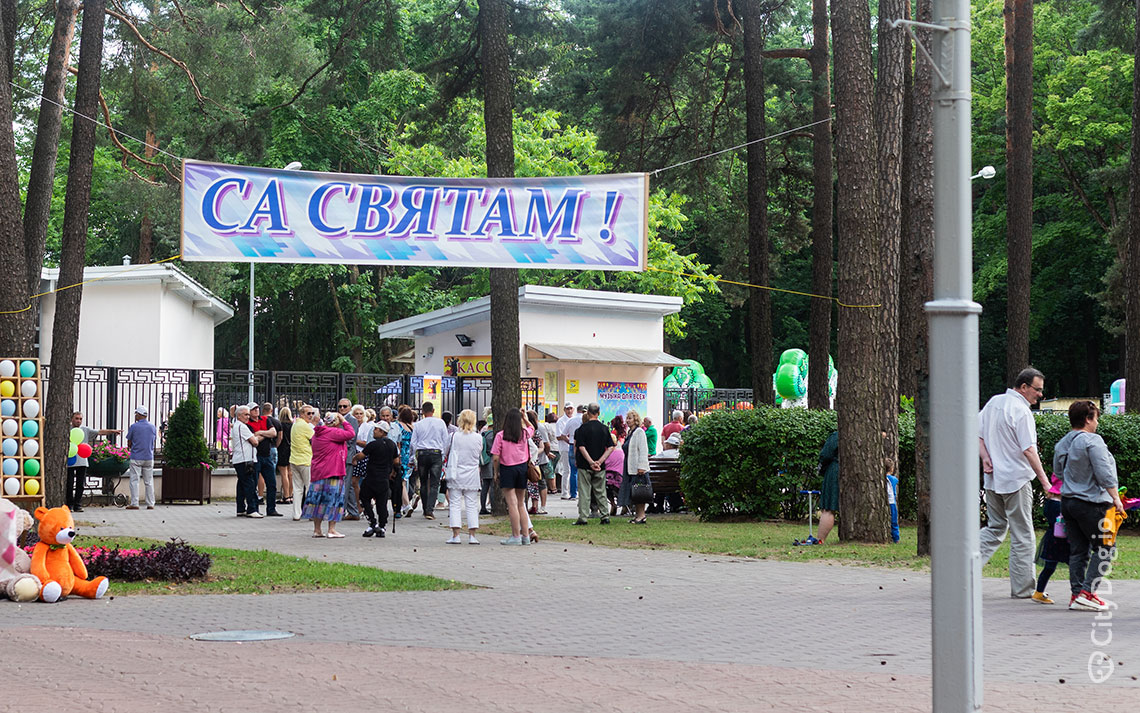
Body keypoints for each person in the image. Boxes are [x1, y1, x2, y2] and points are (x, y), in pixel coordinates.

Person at [978, 367, 1052, 599]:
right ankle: (1023, 589)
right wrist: (1045, 483)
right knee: (1023, 534)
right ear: (1023, 387)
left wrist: (985, 458)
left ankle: (960, 570)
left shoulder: (994, 403)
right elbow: (1029, 450)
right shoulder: (1021, 411)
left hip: (993, 479)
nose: (1040, 395)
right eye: (1037, 390)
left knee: (995, 528)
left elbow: (976, 433)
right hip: (1017, 480)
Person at [1055, 400, 1125, 611]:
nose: (1097, 423)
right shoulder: (1093, 441)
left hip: (1068, 502)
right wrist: (1116, 499)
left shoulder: (1063, 443)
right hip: (1092, 503)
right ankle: (1087, 592)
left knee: (1078, 550)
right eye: (1095, 418)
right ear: (1087, 419)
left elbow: (1059, 472)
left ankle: (1076, 595)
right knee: (1106, 548)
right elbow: (1105, 473)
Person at [304, 411, 356, 538]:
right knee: (334, 500)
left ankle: (317, 529)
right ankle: (331, 529)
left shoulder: (317, 434)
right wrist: (344, 420)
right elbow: (351, 433)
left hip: (318, 472)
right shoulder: (333, 432)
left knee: (318, 501)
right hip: (333, 471)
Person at [492, 408, 534, 544]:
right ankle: (526, 535)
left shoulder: (500, 435)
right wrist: (525, 417)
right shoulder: (523, 434)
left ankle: (515, 536)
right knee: (521, 503)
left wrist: (495, 472)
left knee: (512, 504)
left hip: (507, 469)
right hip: (522, 468)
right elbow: (532, 427)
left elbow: (495, 458)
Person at [443, 409, 483, 544]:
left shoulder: (453, 436)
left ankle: (456, 535)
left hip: (456, 472)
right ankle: (472, 535)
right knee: (471, 504)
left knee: (454, 503)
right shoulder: (478, 437)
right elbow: (479, 452)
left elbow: (445, 451)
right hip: (472, 473)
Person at [67, 411, 120, 513]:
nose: (78, 421)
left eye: (80, 419)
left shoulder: (85, 430)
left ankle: (77, 504)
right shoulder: (66, 429)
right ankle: (69, 504)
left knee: (80, 484)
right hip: (70, 461)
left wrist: (112, 431)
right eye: (76, 418)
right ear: (72, 419)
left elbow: (99, 432)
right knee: (69, 484)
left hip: (82, 461)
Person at [354, 421, 399, 538]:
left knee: (364, 498)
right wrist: (394, 472)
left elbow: (361, 456)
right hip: (384, 478)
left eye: (376, 429)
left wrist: (354, 458)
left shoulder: (373, 444)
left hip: (371, 478)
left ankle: (372, 522)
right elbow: (396, 461)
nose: (374, 431)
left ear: (381, 431)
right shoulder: (392, 445)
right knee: (381, 503)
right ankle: (382, 526)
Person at [573, 403, 614, 526]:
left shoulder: (582, 429)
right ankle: (605, 516)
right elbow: (611, 446)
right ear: (599, 413)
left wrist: (590, 462)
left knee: (584, 491)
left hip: (584, 465)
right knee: (601, 491)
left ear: (588, 412)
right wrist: (600, 461)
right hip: (600, 466)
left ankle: (583, 517)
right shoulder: (604, 428)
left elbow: (581, 447)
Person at [1031, 473, 1069, 604]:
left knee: (1049, 567)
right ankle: (1081, 591)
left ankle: (1039, 592)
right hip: (1062, 540)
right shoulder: (1059, 506)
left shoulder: (1049, 504)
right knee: (1076, 564)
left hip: (1052, 539)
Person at [411, 401, 449, 520]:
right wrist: (443, 454)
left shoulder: (418, 424)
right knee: (434, 483)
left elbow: (413, 442)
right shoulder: (440, 423)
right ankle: (430, 509)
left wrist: (414, 455)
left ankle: (425, 508)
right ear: (433, 411)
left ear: (422, 412)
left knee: (423, 482)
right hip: (436, 453)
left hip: (422, 453)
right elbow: (446, 440)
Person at [247, 403, 281, 517]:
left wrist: (261, 432)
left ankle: (271, 509)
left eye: (257, 408)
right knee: (254, 483)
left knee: (272, 483)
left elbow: (274, 433)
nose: (256, 411)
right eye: (253, 409)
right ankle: (254, 508)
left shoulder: (265, 419)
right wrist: (266, 434)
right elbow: (253, 439)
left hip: (267, 456)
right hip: (255, 457)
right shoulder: (248, 424)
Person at [618, 409, 651, 524]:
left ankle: (641, 515)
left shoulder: (639, 432)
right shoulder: (630, 433)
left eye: (630, 418)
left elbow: (643, 450)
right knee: (634, 492)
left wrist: (641, 466)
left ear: (636, 420)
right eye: (627, 418)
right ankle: (638, 515)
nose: (628, 421)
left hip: (638, 468)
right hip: (629, 467)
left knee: (639, 493)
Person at [230, 405, 262, 517]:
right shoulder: (241, 427)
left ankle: (240, 508)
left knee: (242, 484)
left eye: (248, 414)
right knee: (250, 484)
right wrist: (259, 436)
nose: (248, 417)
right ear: (239, 415)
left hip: (241, 459)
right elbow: (254, 442)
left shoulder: (237, 426)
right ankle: (252, 509)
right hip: (245, 460)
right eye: (245, 414)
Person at [125, 405, 158, 510]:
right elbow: (153, 441)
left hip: (136, 456)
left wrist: (131, 446)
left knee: (134, 480)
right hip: (149, 456)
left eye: (136, 414)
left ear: (139, 415)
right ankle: (150, 503)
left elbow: (129, 441)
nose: (135, 416)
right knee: (149, 481)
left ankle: (135, 503)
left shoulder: (134, 427)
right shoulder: (152, 427)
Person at [289, 404, 316, 521]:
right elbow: (316, 439)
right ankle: (310, 513)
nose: (311, 415)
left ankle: (296, 513)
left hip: (294, 459)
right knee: (310, 487)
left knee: (297, 488)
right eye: (308, 413)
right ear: (302, 414)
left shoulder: (295, 424)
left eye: (312, 413)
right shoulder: (305, 426)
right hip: (305, 460)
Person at [338, 399, 361, 520]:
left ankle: (340, 511)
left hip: (347, 455)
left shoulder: (351, 420)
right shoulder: (338, 418)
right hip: (340, 455)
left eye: (344, 406)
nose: (342, 408)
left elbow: (350, 438)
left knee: (344, 485)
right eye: (340, 406)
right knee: (349, 485)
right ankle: (353, 511)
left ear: (349, 407)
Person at [816, 430, 839, 544]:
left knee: (829, 508)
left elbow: (826, 454)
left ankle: (820, 539)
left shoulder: (838, 435)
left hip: (836, 470)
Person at [526, 410, 550, 515]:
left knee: (533, 484)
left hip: (532, 461)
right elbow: (543, 446)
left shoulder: (529, 431)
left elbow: (543, 446)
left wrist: (532, 453)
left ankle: (534, 505)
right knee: (538, 483)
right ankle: (537, 506)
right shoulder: (536, 431)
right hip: (536, 461)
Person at [394, 406, 416, 517]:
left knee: (401, 481)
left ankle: (406, 504)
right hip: (409, 455)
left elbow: (397, 440)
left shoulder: (398, 426)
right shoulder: (413, 427)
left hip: (400, 454)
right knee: (405, 479)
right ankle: (404, 503)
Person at [559, 404, 584, 500]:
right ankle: (583, 493)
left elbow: (563, 434)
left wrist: (569, 441)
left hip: (572, 445)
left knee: (573, 471)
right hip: (585, 446)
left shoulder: (571, 421)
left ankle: (573, 494)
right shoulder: (586, 420)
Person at [604, 415, 627, 516]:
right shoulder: (621, 453)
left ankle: (612, 504)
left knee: (607, 484)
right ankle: (624, 505)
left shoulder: (607, 453)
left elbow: (605, 465)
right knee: (616, 485)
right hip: (621, 479)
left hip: (609, 480)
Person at [277, 406, 294, 507]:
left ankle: (286, 496)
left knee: (284, 474)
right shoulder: (293, 425)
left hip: (282, 449)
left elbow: (280, 437)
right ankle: (291, 495)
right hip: (291, 449)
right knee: (290, 473)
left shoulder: (280, 425)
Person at [479, 414, 495, 515]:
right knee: (493, 485)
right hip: (493, 460)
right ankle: (493, 506)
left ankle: (483, 507)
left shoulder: (483, 433)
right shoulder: (494, 434)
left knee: (485, 485)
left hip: (485, 461)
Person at [544, 412, 560, 494]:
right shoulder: (559, 425)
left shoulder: (547, 426)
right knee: (555, 469)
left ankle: (552, 488)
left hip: (550, 449)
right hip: (559, 449)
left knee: (550, 469)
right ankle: (554, 487)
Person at [885, 458, 900, 544]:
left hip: (885, 502)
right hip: (892, 502)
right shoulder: (893, 479)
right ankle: (896, 538)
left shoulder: (882, 479)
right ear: (891, 469)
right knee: (894, 521)